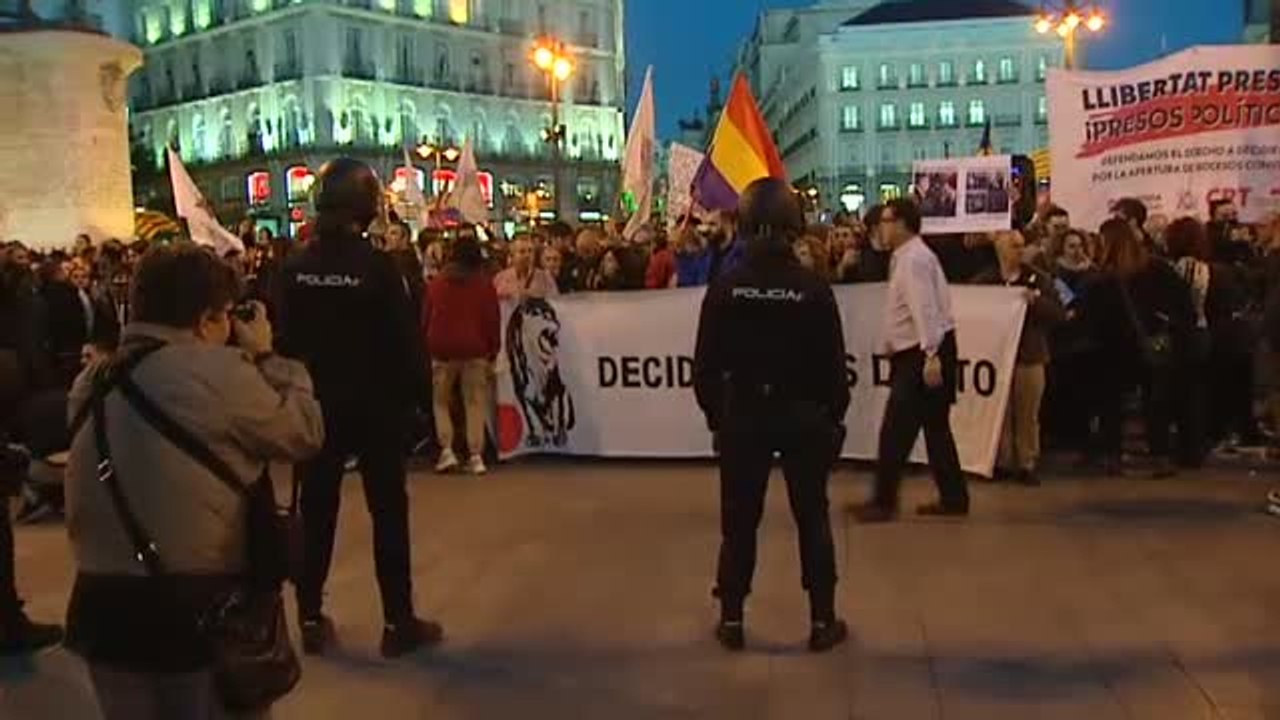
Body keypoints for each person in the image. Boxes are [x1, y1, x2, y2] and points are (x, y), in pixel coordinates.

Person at [63, 245, 324, 720]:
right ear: (207, 319)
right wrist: (266, 354)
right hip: (195, 611)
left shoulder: (90, 381)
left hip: (101, 608)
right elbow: (303, 432)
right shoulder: (218, 371)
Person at [277, 157, 441, 658]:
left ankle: (308, 616)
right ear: (367, 206)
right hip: (377, 407)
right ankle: (397, 621)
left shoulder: (295, 267)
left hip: (319, 406)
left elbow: (282, 339)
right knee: (388, 512)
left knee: (317, 510)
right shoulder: (378, 268)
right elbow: (405, 342)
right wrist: (420, 404)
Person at [693, 177, 850, 654]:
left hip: (744, 414)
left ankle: (733, 618)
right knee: (813, 518)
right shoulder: (813, 289)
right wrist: (831, 418)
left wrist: (719, 417)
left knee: (739, 522)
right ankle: (822, 620)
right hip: (803, 415)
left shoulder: (726, 288)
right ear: (793, 227)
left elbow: (704, 366)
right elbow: (834, 366)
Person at [852, 198, 969, 523]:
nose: (881, 228)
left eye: (886, 221)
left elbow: (925, 308)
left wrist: (930, 354)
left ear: (902, 223)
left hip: (922, 354)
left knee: (895, 431)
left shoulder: (914, 259)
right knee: (935, 428)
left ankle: (883, 502)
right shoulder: (908, 257)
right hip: (918, 350)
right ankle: (954, 497)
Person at [1079, 219, 1194, 476]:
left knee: (1111, 404)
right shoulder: (1158, 268)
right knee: (1155, 403)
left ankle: (1112, 455)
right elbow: (1183, 305)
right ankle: (1160, 455)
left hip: (1110, 351)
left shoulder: (1100, 278)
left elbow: (1088, 318)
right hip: (1151, 346)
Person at [970, 230, 1064, 485]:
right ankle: (1001, 460)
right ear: (1000, 249)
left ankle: (1026, 462)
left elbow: (1058, 314)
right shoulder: (984, 281)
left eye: (1021, 246)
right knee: (999, 413)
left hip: (1029, 356)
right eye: (1014, 246)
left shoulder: (1039, 279)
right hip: (996, 358)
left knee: (1027, 413)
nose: (1019, 252)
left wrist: (1037, 303)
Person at [424, 235, 500, 475]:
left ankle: (447, 451)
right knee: (475, 402)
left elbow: (426, 315)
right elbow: (492, 320)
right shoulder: (483, 284)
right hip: (475, 349)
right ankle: (476, 455)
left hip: (442, 349)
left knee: (440, 401)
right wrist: (493, 349)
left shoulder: (437, 283)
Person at [1165, 217, 1213, 467]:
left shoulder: (1184, 266)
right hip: (1201, 330)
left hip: (1187, 333)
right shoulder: (1204, 266)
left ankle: (1189, 449)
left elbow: (1180, 301)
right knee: (1194, 392)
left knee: (1185, 393)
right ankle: (1194, 447)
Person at [494, 235, 558, 300]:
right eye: (522, 252)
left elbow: (556, 302)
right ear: (512, 256)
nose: (527, 255)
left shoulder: (545, 277)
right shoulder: (500, 278)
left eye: (530, 251)